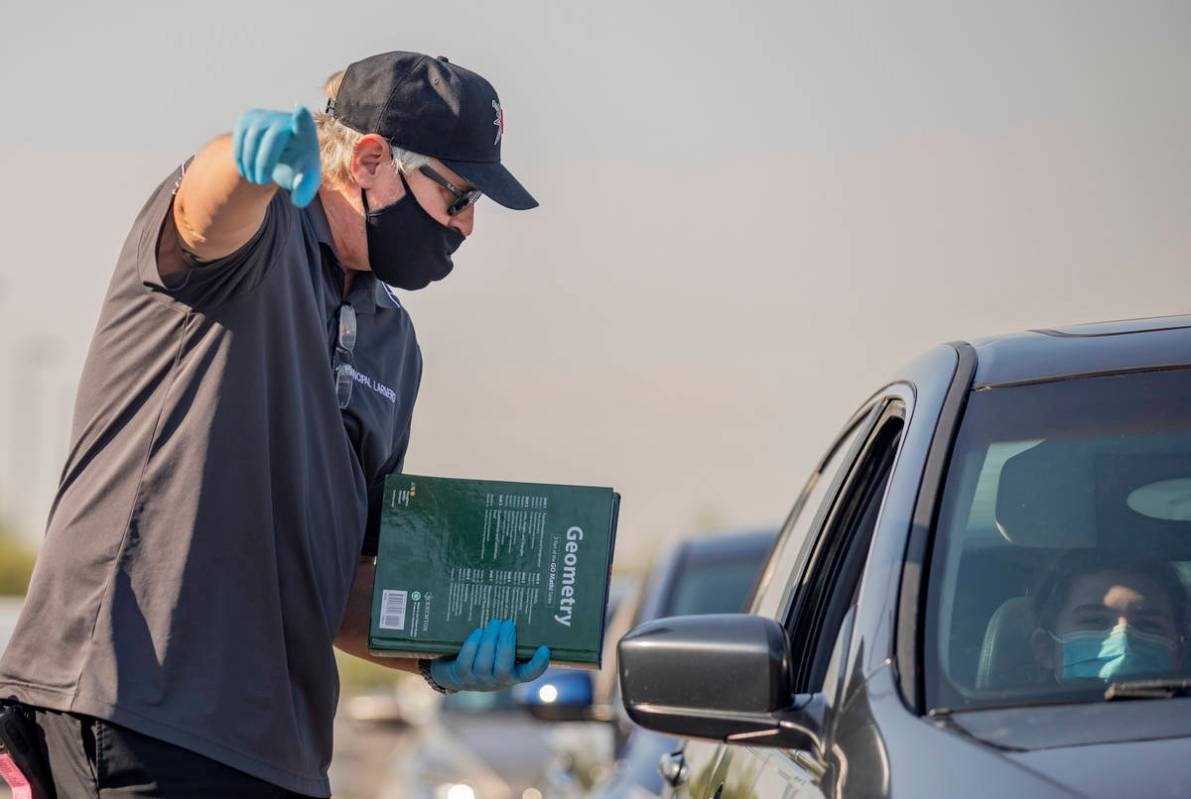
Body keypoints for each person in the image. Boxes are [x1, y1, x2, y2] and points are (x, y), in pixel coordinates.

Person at [0, 51, 549, 797]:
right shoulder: (256, 239)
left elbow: (343, 583)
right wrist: (246, 161)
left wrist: (436, 653)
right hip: (134, 714)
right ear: (369, 158)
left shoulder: (394, 343)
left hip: (281, 754)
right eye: (456, 195)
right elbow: (205, 206)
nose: (466, 226)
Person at [1030, 551, 1188, 684]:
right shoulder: (1013, 719)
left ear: (1178, 654)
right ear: (1046, 648)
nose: (1123, 639)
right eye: (1095, 620)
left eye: (1147, 624)